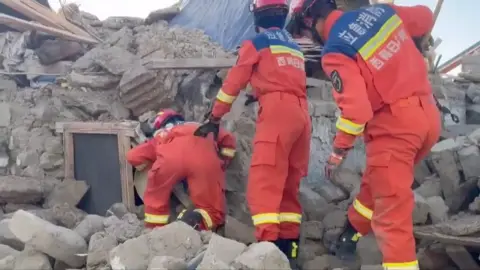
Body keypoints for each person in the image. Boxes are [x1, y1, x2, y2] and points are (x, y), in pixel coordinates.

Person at [287, 1, 441, 269]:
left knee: (392, 219)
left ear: (311, 22)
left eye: (305, 31)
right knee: (377, 181)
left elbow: (356, 112)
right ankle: (353, 230)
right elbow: (426, 17)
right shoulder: (382, 13)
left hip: (395, 129)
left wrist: (338, 151)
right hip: (428, 118)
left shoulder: (335, 50)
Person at [195, 0, 311, 266]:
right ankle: (290, 252)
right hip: (302, 114)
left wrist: (215, 116)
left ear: (257, 16)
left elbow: (232, 84)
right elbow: (280, 78)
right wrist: (257, 92)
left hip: (278, 113)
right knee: (289, 185)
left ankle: (267, 252)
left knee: (265, 181)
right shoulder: (294, 47)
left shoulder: (255, 43)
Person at [126, 109, 236, 231]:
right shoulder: (201, 126)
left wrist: (152, 158)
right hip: (204, 160)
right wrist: (223, 162)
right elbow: (228, 139)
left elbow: (132, 157)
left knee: (156, 196)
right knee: (212, 210)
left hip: (170, 161)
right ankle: (193, 221)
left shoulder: (161, 135)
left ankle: (155, 230)